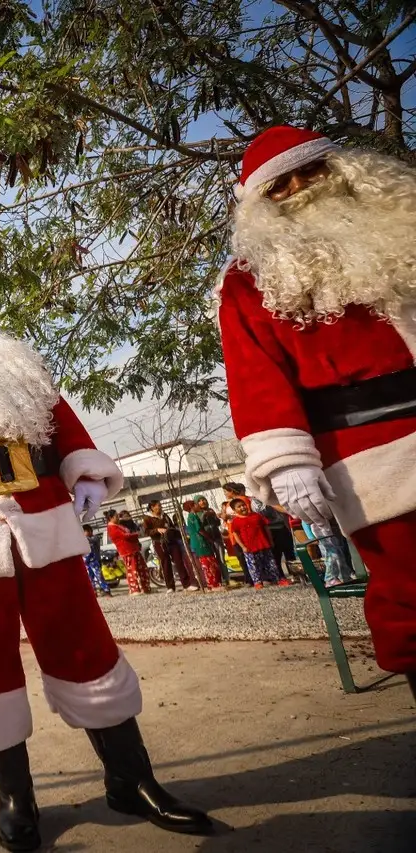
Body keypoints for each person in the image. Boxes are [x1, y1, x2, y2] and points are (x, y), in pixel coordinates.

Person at [0, 276, 210, 851]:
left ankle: (131, 778)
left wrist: (84, 471)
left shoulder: (16, 363)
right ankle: (16, 798)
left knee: (85, 646)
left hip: (42, 517)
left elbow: (63, 425)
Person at [217, 124, 416, 698]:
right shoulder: (248, 285)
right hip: (370, 457)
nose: (301, 187)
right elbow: (256, 379)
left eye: (311, 171)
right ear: (259, 202)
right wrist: (286, 461)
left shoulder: (402, 236)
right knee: (410, 593)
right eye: (281, 184)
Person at [228, 500, 284, 588]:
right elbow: (236, 535)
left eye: (243, 505)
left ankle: (277, 579)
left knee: (270, 563)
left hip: (263, 543)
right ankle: (257, 582)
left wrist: (270, 540)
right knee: (253, 565)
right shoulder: (236, 521)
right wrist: (243, 546)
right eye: (239, 507)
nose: (243, 508)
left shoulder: (256, 516)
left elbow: (266, 528)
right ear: (234, 510)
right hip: (249, 547)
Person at [143, 500, 197, 591]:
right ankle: (170, 586)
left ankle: (186, 584)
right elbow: (146, 531)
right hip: (159, 542)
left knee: (179, 562)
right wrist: (157, 530)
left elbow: (171, 526)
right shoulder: (147, 518)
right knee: (166, 563)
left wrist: (181, 535)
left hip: (171, 541)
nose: (160, 507)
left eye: (160, 505)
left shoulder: (165, 516)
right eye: (158, 506)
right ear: (152, 507)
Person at [107, 509, 151, 595]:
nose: (118, 518)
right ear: (111, 518)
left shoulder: (119, 525)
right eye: (116, 516)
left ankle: (145, 588)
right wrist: (136, 534)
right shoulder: (111, 528)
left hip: (134, 548)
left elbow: (129, 531)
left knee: (142, 568)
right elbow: (125, 536)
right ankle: (134, 589)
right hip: (127, 551)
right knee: (132, 570)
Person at [183, 500, 224, 589]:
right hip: (200, 542)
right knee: (208, 563)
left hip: (200, 542)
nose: (199, 506)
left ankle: (215, 583)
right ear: (192, 507)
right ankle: (213, 584)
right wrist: (210, 538)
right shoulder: (193, 516)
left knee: (210, 562)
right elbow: (200, 530)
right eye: (197, 504)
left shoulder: (192, 516)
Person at [258, 501, 298, 581]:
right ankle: (280, 576)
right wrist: (268, 501)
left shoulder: (275, 496)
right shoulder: (256, 500)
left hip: (284, 527)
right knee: (276, 555)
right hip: (271, 529)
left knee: (289, 552)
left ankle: (295, 574)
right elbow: (262, 512)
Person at [83, 523, 112, 596]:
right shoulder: (85, 541)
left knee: (99, 576)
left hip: (95, 561)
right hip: (87, 562)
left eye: (84, 532)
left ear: (90, 531)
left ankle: (106, 590)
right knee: (90, 578)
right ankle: (94, 592)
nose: (84, 534)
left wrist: (81, 537)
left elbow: (90, 541)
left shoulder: (95, 537)